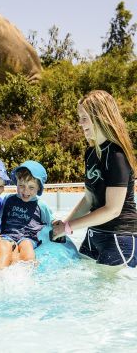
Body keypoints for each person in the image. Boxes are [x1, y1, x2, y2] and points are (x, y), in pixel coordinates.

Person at [52, 90, 137, 268]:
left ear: (100, 117)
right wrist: (65, 224)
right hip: (94, 236)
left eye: (84, 118)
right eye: (80, 118)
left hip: (119, 239)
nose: (80, 123)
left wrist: (69, 228)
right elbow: (89, 198)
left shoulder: (116, 155)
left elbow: (112, 210)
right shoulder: (91, 153)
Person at [0, 160, 53, 268]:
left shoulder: (41, 205)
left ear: (39, 188)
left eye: (31, 187)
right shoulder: (8, 199)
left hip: (28, 237)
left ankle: (26, 272)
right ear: (16, 183)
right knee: (3, 246)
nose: (25, 191)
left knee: (26, 247)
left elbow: (51, 222)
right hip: (7, 236)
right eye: (21, 186)